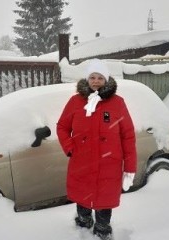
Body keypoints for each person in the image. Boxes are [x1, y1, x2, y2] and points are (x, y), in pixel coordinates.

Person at [56, 59, 137, 240]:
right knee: (83, 197)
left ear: (106, 80)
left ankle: (102, 229)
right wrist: (70, 148)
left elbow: (128, 136)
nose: (96, 81)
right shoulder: (76, 101)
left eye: (100, 77)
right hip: (82, 161)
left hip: (109, 164)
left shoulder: (117, 103)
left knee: (104, 201)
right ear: (87, 79)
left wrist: (130, 167)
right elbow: (62, 126)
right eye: (92, 77)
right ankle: (83, 224)